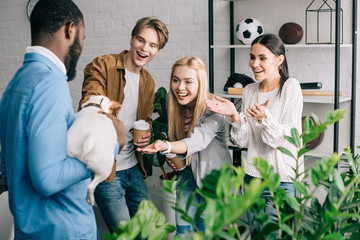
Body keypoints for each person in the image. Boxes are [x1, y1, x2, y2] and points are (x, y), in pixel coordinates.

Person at [0, 0, 123, 239]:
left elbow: (7, 168)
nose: (82, 47)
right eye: (83, 38)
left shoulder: (14, 84)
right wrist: (112, 144)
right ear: (70, 30)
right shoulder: (50, 82)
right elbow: (48, 179)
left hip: (29, 231)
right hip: (65, 230)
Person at [205, 33, 303, 231]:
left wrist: (264, 118)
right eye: (252, 57)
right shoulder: (249, 90)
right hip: (253, 178)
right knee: (257, 235)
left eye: (262, 58)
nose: (254, 64)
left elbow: (287, 138)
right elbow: (244, 141)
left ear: (279, 60)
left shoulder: (290, 87)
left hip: (281, 180)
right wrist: (234, 115)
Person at [78, 17, 169, 231]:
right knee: (124, 234)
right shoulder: (103, 65)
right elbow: (89, 102)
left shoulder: (148, 81)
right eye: (141, 40)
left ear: (157, 50)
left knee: (150, 230)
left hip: (134, 168)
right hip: (108, 169)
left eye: (152, 45)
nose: (144, 48)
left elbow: (144, 120)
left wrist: (147, 133)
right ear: (131, 38)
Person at [138, 56, 232, 236]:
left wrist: (164, 146)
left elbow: (197, 142)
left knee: (206, 233)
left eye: (188, 81)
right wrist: (176, 158)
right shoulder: (173, 103)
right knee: (183, 233)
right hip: (186, 177)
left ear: (200, 83)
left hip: (212, 182)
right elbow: (179, 144)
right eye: (176, 80)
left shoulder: (215, 109)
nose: (180, 87)